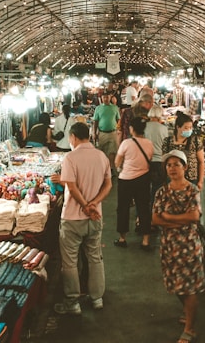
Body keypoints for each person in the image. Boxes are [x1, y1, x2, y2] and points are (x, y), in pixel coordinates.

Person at [54, 122, 113, 315]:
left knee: (70, 262)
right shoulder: (101, 156)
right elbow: (108, 185)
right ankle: (97, 298)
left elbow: (71, 187)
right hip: (95, 217)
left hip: (72, 217)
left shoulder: (70, 157)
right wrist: (94, 204)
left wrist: (86, 206)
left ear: (73, 137)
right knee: (95, 257)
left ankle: (73, 302)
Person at [152, 150, 205, 343]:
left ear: (185, 167)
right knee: (176, 284)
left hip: (189, 245)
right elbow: (155, 219)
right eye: (168, 165)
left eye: (176, 164)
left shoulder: (192, 190)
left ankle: (190, 328)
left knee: (189, 287)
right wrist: (178, 222)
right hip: (170, 246)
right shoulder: (161, 191)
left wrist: (169, 218)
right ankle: (187, 311)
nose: (172, 168)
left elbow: (194, 217)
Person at [114, 116, 154, 250]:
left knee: (123, 208)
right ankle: (145, 240)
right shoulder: (149, 143)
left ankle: (122, 238)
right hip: (143, 179)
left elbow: (117, 162)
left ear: (131, 129)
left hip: (126, 180)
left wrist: (121, 167)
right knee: (143, 208)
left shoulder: (126, 143)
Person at [162, 111, 205, 191]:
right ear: (178, 127)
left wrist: (200, 181)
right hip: (173, 180)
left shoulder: (195, 141)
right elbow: (165, 162)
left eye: (190, 127)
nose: (189, 130)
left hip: (191, 180)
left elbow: (201, 162)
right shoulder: (167, 142)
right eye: (186, 128)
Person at [145, 104, 170, 205]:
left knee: (145, 188)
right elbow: (166, 145)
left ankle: (141, 213)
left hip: (146, 161)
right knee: (157, 188)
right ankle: (154, 210)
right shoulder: (163, 128)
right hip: (160, 162)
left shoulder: (144, 127)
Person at [92, 92, 121, 171]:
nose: (105, 99)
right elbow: (95, 121)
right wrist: (94, 133)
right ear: (101, 98)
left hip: (113, 132)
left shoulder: (115, 108)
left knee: (112, 151)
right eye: (104, 97)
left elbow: (118, 120)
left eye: (107, 97)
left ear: (110, 97)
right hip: (102, 133)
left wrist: (119, 130)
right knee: (102, 151)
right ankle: (103, 167)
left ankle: (111, 168)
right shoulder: (98, 108)